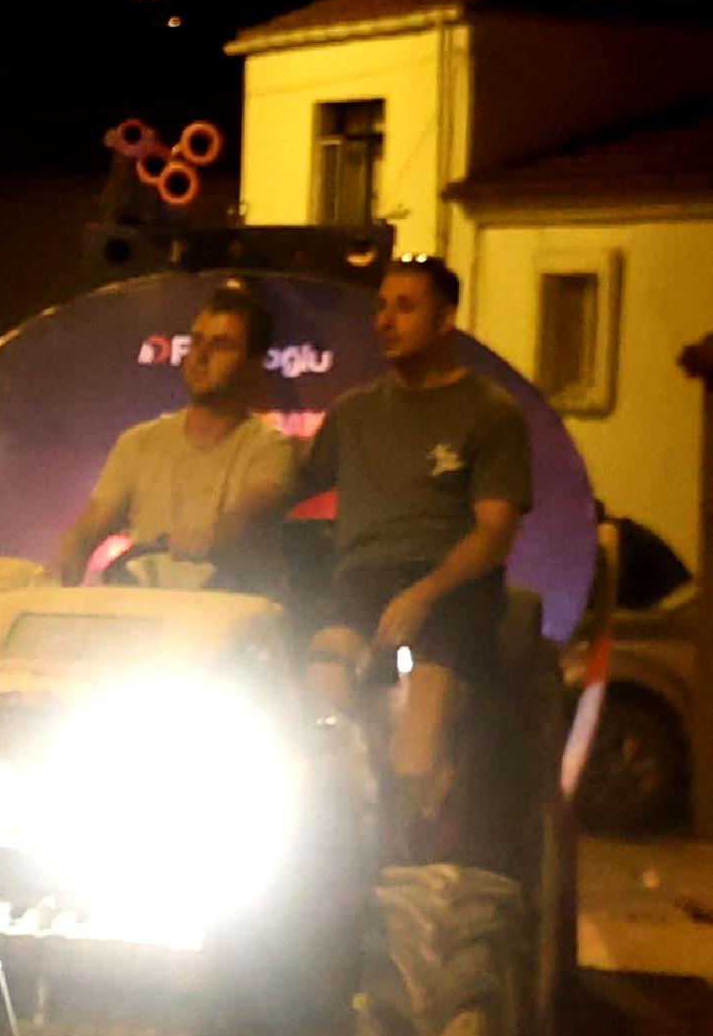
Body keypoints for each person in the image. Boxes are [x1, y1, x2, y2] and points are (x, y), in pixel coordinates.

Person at [312, 253, 533, 821]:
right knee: (322, 697)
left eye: (405, 307)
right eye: (381, 307)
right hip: (362, 583)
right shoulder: (353, 413)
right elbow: (289, 490)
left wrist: (425, 592)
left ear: (445, 319)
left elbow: (494, 532)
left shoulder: (490, 413)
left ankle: (411, 846)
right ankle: (339, 837)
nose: (385, 321)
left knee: (422, 721)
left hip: (450, 586)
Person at [59, 279, 302, 581]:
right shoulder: (139, 442)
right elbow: (90, 526)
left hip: (226, 608)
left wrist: (209, 538)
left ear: (253, 364)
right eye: (197, 341)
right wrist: (69, 560)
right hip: (146, 609)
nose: (200, 357)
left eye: (221, 346)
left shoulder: (269, 447)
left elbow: (250, 516)